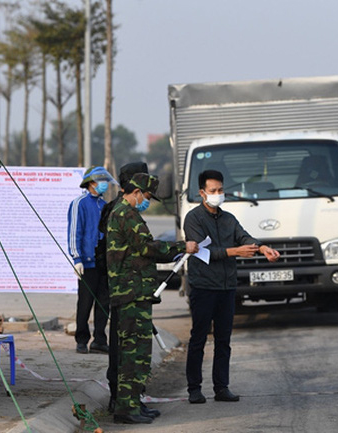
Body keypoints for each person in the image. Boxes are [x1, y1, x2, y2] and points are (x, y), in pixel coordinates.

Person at [107, 173, 199, 424]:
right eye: (146, 196)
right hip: (130, 295)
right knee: (132, 353)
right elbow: (147, 248)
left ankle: (135, 403)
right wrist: (182, 247)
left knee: (140, 352)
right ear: (135, 192)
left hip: (137, 293)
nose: (146, 200)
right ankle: (126, 409)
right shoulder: (125, 214)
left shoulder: (128, 213)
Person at [183, 169, 280, 404]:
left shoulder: (228, 219)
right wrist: (234, 252)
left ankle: (221, 387)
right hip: (204, 286)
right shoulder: (193, 219)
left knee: (223, 340)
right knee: (198, 338)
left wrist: (261, 248)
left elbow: (244, 237)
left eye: (220, 190)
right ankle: (194, 389)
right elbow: (202, 251)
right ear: (202, 193)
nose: (218, 194)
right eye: (213, 191)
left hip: (227, 287)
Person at [95, 162, 149, 414]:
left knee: (130, 344)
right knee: (123, 346)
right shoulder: (118, 210)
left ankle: (132, 398)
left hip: (129, 286)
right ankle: (119, 398)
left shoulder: (126, 208)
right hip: (119, 287)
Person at [67, 166, 116, 354]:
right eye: (100, 181)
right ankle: (81, 339)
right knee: (85, 302)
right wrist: (76, 257)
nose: (104, 185)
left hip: (103, 261)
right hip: (87, 261)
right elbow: (74, 232)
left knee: (104, 302)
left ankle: (100, 339)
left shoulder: (104, 205)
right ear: (91, 183)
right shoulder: (79, 203)